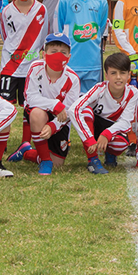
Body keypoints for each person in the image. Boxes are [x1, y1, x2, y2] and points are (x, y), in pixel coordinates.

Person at [20, 32, 82, 175]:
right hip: (40, 113)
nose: (58, 55)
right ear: (44, 54)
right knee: (37, 114)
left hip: (60, 119)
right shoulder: (35, 68)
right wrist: (54, 104)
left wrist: (53, 126)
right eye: (53, 51)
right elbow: (30, 97)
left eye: (63, 52)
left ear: (69, 57)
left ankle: (27, 152)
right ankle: (45, 160)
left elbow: (68, 111)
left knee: (58, 164)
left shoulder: (73, 79)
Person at [0, 0, 47, 152]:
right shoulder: (7, 11)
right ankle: (1, 142)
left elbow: (43, 35)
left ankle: (26, 144)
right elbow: (5, 34)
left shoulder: (41, 9)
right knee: (5, 107)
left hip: (31, 67)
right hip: (10, 66)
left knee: (29, 106)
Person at [71, 52, 138, 173]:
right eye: (113, 73)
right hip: (93, 128)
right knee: (86, 111)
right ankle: (93, 160)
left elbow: (126, 121)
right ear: (106, 75)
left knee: (120, 144)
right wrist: (88, 139)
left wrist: (107, 134)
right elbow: (74, 109)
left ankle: (110, 154)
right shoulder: (99, 89)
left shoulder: (133, 92)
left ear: (129, 75)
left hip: (110, 130)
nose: (118, 77)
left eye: (122, 73)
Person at [56, 0, 109, 90]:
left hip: (94, 66)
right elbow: (58, 31)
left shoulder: (101, 1)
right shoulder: (64, 0)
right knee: (70, 106)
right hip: (70, 65)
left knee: (91, 106)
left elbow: (101, 29)